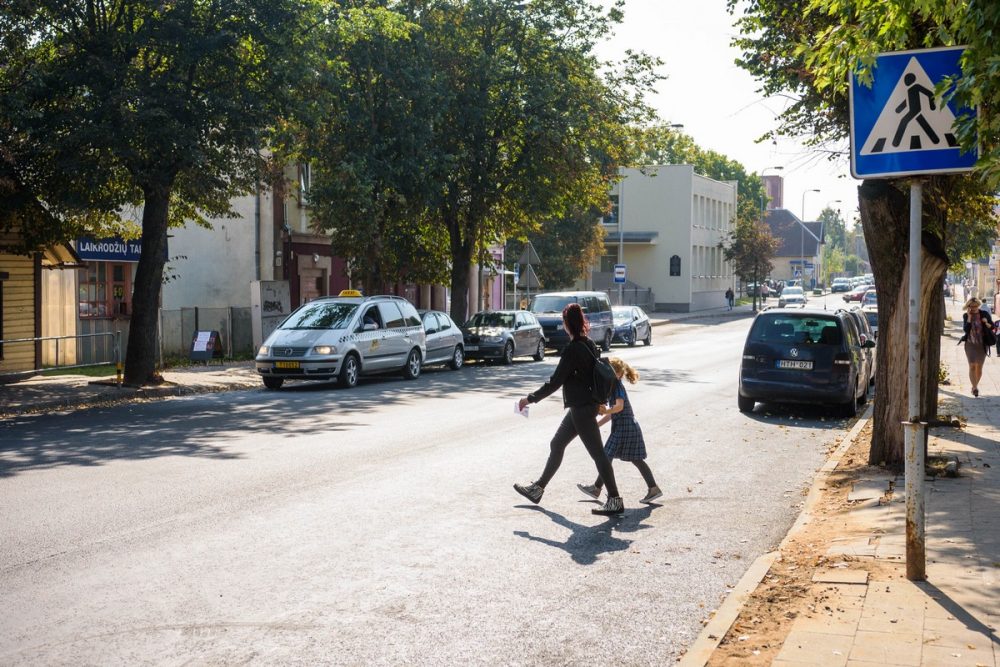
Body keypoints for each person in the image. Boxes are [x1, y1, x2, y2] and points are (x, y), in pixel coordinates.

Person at [514, 303, 625, 515]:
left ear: (567, 324)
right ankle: (538, 489)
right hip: (582, 406)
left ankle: (615, 499)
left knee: (598, 454)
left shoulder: (573, 350)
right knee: (557, 443)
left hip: (582, 409)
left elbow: (555, 382)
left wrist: (529, 399)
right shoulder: (590, 344)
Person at [576, 357, 661, 504]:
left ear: (617, 373)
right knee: (633, 459)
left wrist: (606, 410)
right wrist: (597, 424)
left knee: (606, 456)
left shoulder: (616, 386)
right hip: (626, 426)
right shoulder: (613, 386)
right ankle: (653, 488)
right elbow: (613, 413)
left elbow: (619, 407)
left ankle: (596, 488)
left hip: (625, 427)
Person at [960, 297, 993, 397]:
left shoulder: (984, 314)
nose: (974, 308)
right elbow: (966, 330)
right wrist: (969, 318)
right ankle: (974, 388)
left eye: (975, 306)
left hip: (982, 344)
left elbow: (992, 326)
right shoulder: (966, 315)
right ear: (968, 306)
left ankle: (975, 385)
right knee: (972, 365)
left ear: (978, 305)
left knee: (979, 367)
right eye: (971, 306)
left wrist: (986, 322)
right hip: (970, 344)